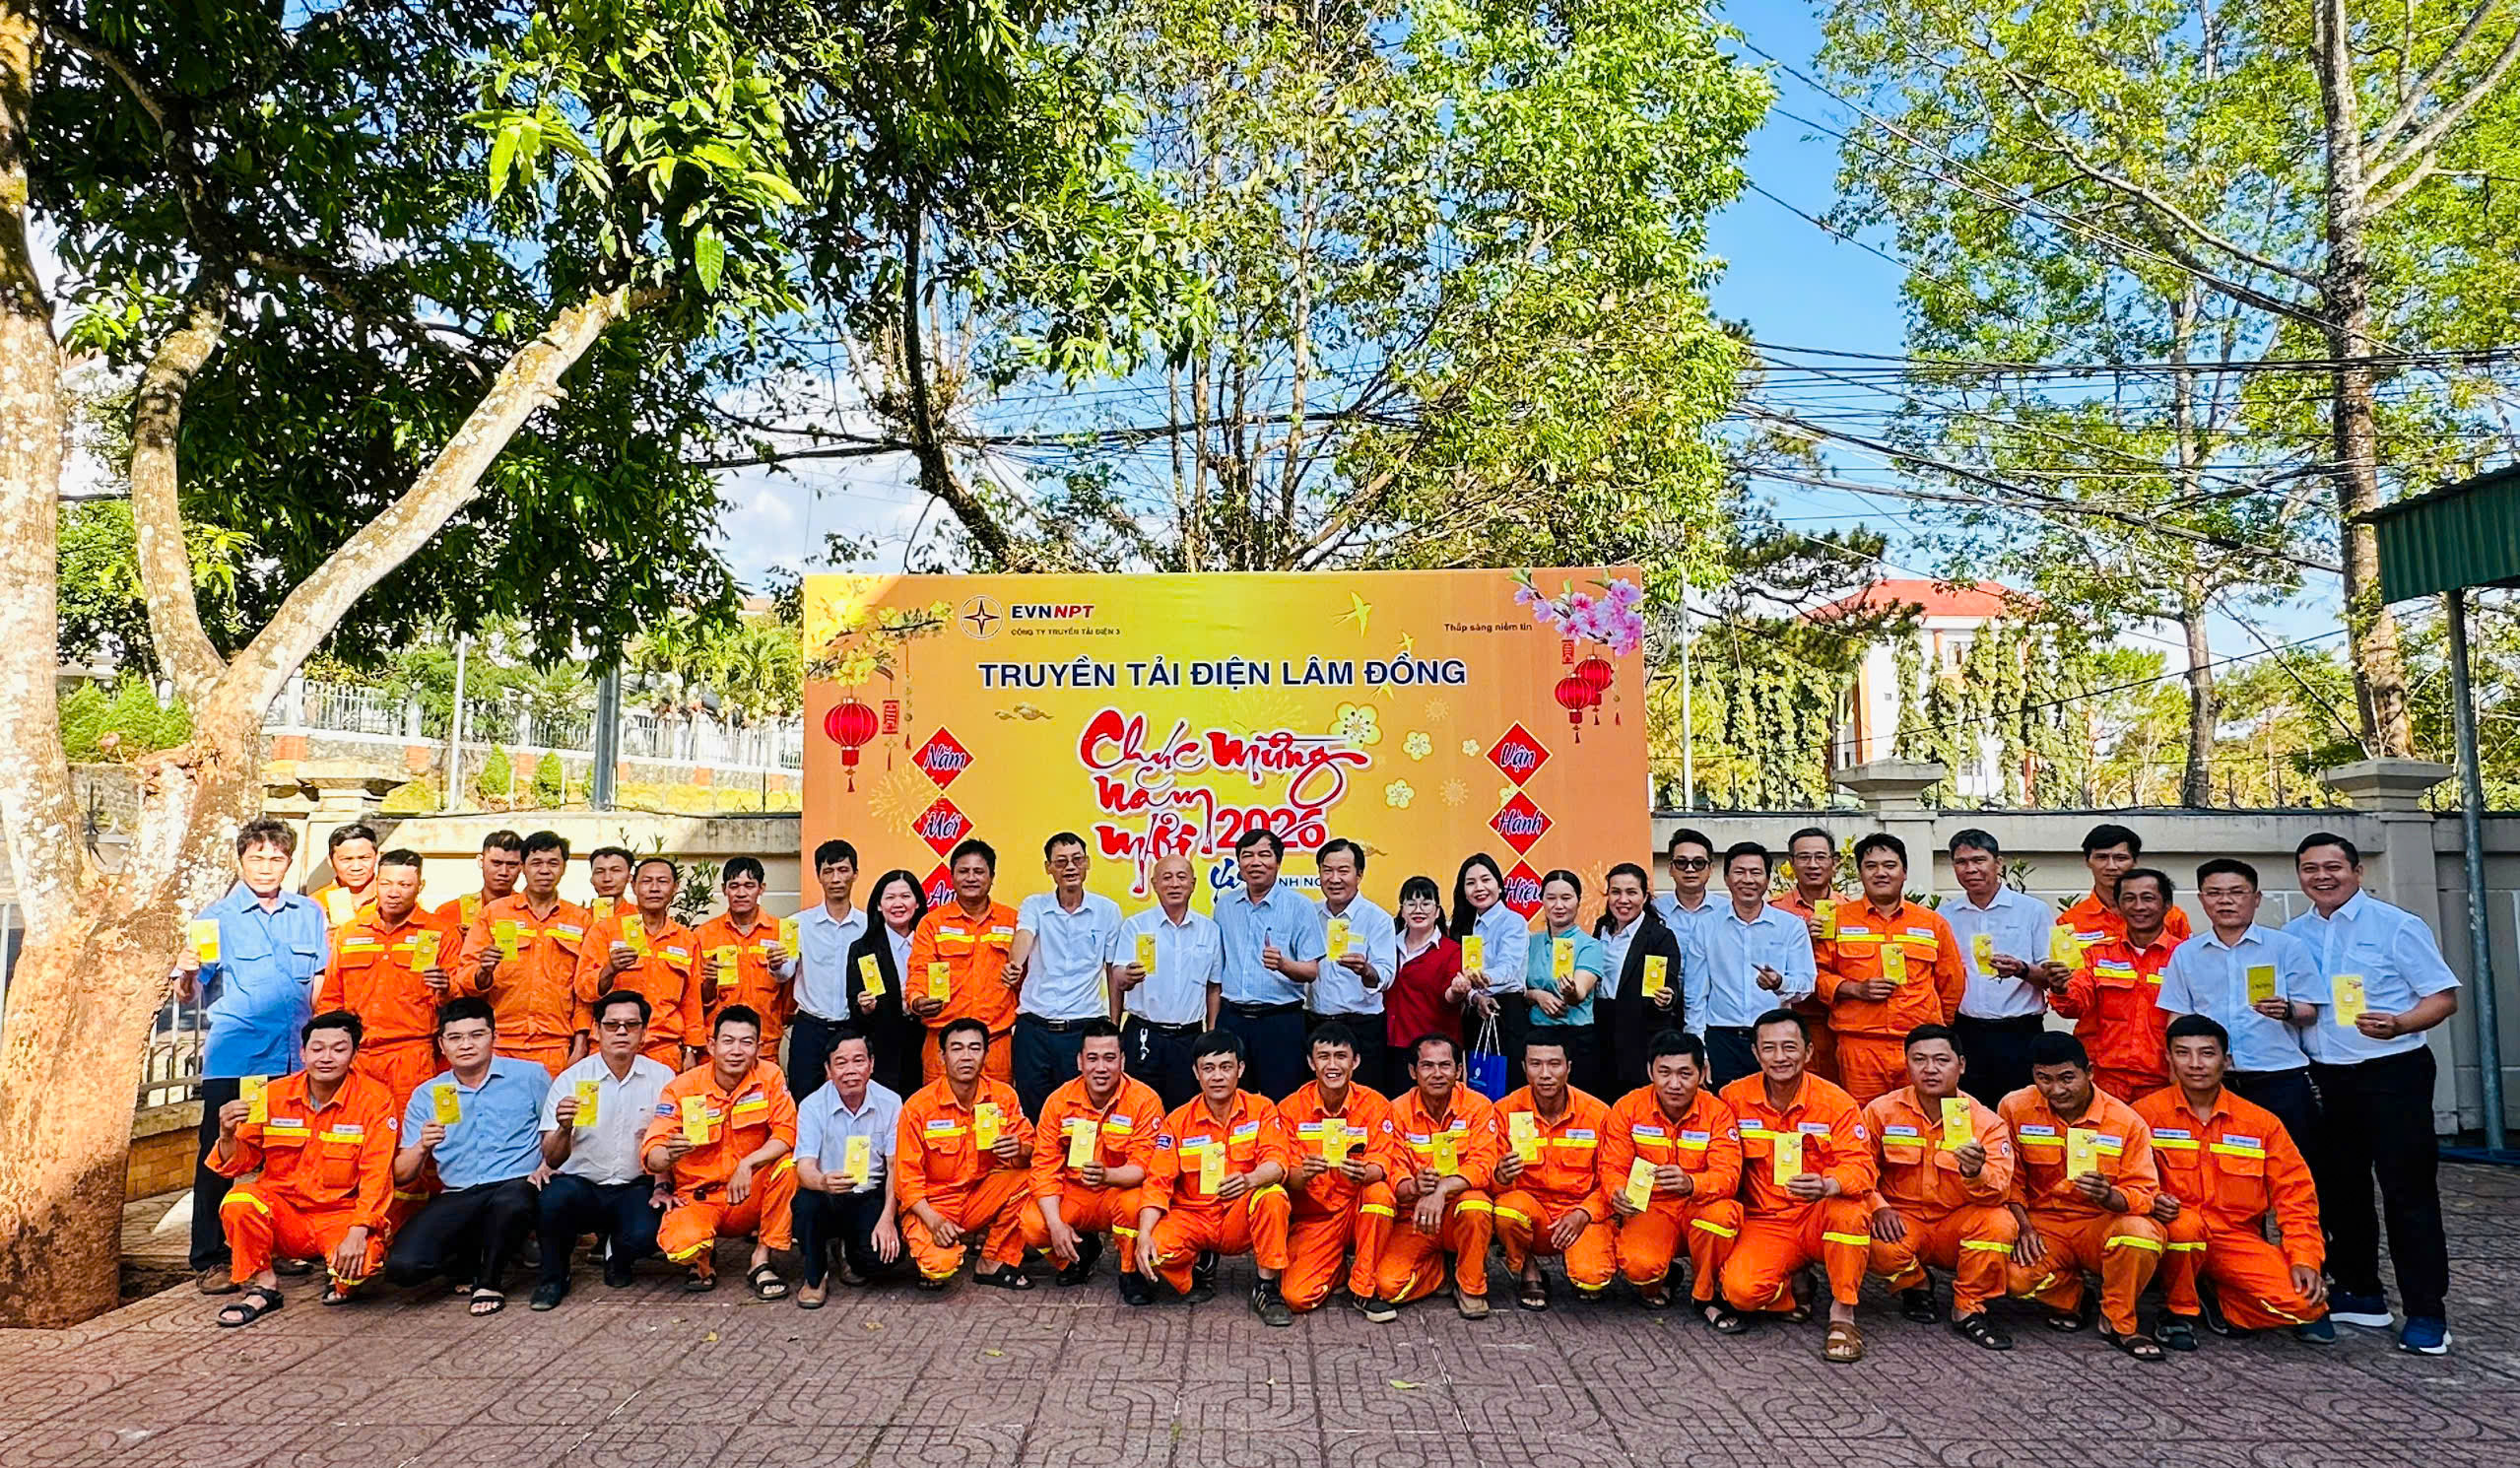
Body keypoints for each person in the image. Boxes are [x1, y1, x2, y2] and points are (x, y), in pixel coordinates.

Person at [2286, 831, 2461, 1355]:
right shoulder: (2294, 935)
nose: (2322, 877)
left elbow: (2443, 998)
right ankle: (2361, 1292)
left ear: (2357, 872)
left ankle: (2426, 1311)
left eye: (2333, 867)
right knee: (2341, 1191)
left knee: (2408, 1193)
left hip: (2393, 1073)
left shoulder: (2397, 926)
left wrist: (2401, 1023)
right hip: (2326, 1077)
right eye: (2311, 868)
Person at [177, 818, 330, 1292]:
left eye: (276, 858)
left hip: (294, 1061)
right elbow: (188, 993)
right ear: (240, 860)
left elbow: (320, 984)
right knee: (222, 1154)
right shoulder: (215, 918)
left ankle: (280, 1243)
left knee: (286, 1155)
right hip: (240, 1059)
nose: (266, 867)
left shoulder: (309, 914)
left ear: (289, 862)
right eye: (256, 858)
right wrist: (185, 973)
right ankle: (211, 1258)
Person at [2137, 1016, 2332, 1349]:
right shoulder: (2144, 1116)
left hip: (2233, 1240)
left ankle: (2219, 1298)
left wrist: (2304, 1258)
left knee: (2305, 1305)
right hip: (2171, 1236)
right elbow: (2126, 1181)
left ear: (2226, 1061)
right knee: (2185, 1227)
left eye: (2207, 1053)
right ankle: (2178, 1309)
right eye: (2183, 1053)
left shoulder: (2260, 1123)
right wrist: (2151, 1203)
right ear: (2168, 1058)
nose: (2195, 1064)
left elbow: (2296, 1196)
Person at [208, 1011, 397, 1326]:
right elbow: (239, 1163)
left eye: (339, 1049)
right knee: (239, 1201)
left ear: (354, 1054)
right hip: (285, 1214)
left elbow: (377, 1174)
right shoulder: (272, 1095)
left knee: (362, 1263)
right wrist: (227, 1135)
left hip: (340, 1215)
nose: (326, 1057)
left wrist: (358, 1231)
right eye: (317, 1048)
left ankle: (340, 1278)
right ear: (303, 1053)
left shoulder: (375, 1100)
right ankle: (264, 1285)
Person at [1718, 1009, 1877, 1364]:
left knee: (1850, 1212)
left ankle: (1843, 1313)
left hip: (1819, 1214)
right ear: (1756, 1053)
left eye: (1789, 1047)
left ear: (1808, 1051)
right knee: (1740, 1293)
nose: (1780, 1057)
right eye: (1769, 1048)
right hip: (1768, 1221)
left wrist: (1828, 1185)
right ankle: (1794, 1285)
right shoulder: (1733, 1097)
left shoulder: (1836, 1102)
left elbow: (1862, 1167)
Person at [1999, 1033, 2168, 1361]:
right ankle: (2073, 1297)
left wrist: (2109, 1196)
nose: (2056, 1089)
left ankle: (2119, 1321)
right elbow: (2011, 1179)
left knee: (2140, 1234)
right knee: (2005, 1274)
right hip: (2044, 1226)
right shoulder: (2014, 1107)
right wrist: (2024, 1228)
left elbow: (2145, 1193)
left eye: (2067, 1078)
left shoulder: (2126, 1121)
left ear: (2089, 1072)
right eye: (2044, 1079)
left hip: (2101, 1223)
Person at [384, 997, 549, 1315]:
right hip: (459, 1193)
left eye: (476, 1035)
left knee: (512, 1201)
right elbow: (402, 1174)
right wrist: (421, 1146)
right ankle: (468, 1255)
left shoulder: (530, 1076)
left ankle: (488, 1282)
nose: (466, 1045)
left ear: (494, 1037)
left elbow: (553, 1130)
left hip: (515, 1184)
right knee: (404, 1268)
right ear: (442, 1045)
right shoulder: (427, 1094)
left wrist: (547, 1165)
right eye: (455, 1037)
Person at [1861, 1025, 2019, 1352]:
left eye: (1941, 1060)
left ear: (1961, 1065)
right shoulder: (1880, 1111)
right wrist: (1879, 1207)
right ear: (1906, 1064)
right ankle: (1916, 1284)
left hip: (1956, 1223)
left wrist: (1975, 1172)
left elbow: (2000, 1190)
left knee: (2000, 1223)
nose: (1930, 1069)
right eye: (1919, 1059)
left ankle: (1969, 1307)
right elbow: (1859, 1167)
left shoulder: (1985, 1122)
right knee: (1861, 1232)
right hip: (1902, 1220)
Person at [2155, 858, 2324, 1150]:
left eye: (2236, 892)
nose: (2225, 901)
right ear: (2202, 900)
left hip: (2278, 1078)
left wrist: (2287, 1011)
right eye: (2214, 893)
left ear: (2256, 899)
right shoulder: (2186, 953)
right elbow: (2178, 1017)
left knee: (2289, 1164)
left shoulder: (2286, 947)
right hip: (2213, 1083)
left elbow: (2311, 1012)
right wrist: (2176, 1074)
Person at [1137, 1029, 1298, 1323]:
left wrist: (1249, 1180)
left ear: (1241, 1069)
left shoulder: (1262, 1109)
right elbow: (1157, 1182)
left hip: (1239, 1216)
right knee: (1154, 1251)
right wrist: (1144, 1234)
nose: (1217, 1077)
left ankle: (1266, 1287)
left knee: (1273, 1195)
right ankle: (1199, 1265)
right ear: (1196, 1073)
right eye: (1208, 1068)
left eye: (1226, 1067)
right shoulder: (1177, 1121)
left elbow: (1278, 1162)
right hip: (1194, 1217)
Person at [641, 1006, 799, 1299]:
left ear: (758, 1048)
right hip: (700, 1196)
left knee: (790, 1167)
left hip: (751, 1193)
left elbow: (786, 1134)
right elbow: (653, 1150)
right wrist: (668, 1155)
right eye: (728, 1041)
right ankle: (701, 1260)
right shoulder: (682, 1087)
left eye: (746, 1042)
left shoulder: (770, 1076)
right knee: (681, 1246)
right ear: (712, 1046)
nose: (736, 1051)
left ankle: (761, 1259)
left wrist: (748, 1164)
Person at [532, 990, 674, 1309]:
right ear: (596, 1030)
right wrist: (564, 1127)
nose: (621, 1032)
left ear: (644, 1032)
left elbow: (667, 1139)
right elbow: (552, 1157)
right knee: (552, 1201)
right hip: (583, 1184)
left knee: (645, 1233)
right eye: (612, 1025)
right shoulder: (571, 1079)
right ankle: (553, 1278)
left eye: (631, 1025)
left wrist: (662, 1185)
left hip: (635, 1184)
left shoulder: (663, 1078)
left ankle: (617, 1254)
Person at [1600, 1030, 1744, 1321]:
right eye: (1664, 1073)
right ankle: (1664, 1276)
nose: (1674, 1084)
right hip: (1651, 1207)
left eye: (1685, 1074)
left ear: (1701, 1073)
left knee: (1722, 1216)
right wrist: (1616, 1192)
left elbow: (1728, 1174)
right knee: (1640, 1267)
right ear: (1649, 1071)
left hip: (1700, 1205)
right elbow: (1612, 1165)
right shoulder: (1628, 1108)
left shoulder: (1718, 1113)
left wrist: (1692, 1183)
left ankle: (1704, 1294)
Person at [1815, 834, 1965, 1104]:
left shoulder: (1932, 923)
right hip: (1860, 1045)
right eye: (1871, 866)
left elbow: (1951, 982)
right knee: (1864, 1119)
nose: (1880, 873)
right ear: (1860, 873)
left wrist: (1934, 1030)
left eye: (1890, 865)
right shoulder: (1836, 920)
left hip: (1920, 1046)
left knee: (1922, 1115)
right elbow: (1817, 975)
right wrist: (1855, 990)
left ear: (1904, 872)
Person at [1025, 1019, 1163, 1300]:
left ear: (1122, 1061)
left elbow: (1143, 1167)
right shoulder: (1058, 1101)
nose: (1101, 1068)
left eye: (1109, 1058)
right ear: (1079, 1061)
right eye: (1092, 1058)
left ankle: (1131, 1270)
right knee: (1033, 1224)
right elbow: (1044, 1168)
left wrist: (1108, 1176)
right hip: (1075, 1193)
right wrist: (1055, 1224)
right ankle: (1079, 1254)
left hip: (1119, 1190)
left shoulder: (1145, 1101)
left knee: (1136, 1204)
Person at [895, 1018, 1035, 1289]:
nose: (966, 1056)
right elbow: (906, 1181)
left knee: (1034, 1178)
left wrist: (1020, 1149)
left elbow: (1030, 1148)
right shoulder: (918, 1107)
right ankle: (929, 1246)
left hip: (978, 1196)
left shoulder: (1003, 1096)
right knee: (938, 1268)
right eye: (957, 1048)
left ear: (986, 1054)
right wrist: (933, 1222)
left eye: (975, 1048)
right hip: (933, 1205)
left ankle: (992, 1260)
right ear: (942, 1056)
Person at [316, 847, 459, 1111]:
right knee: (356, 1130)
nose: (394, 892)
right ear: (376, 883)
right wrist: (332, 1049)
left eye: (404, 885)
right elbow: (331, 998)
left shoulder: (440, 932)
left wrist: (446, 989)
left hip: (412, 1056)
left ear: (420, 886)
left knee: (413, 1129)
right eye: (386, 883)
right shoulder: (350, 932)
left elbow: (458, 1000)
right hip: (357, 1055)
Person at [1373, 1033, 1502, 1318]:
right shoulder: (1395, 1110)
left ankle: (1471, 1286)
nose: (1437, 1074)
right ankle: (1440, 1272)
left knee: (1476, 1204)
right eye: (1427, 1066)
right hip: (1416, 1215)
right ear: (1412, 1071)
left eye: (1445, 1065)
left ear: (1459, 1070)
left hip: (1458, 1210)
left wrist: (1442, 1190)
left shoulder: (1479, 1106)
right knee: (1387, 1287)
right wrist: (1415, 1187)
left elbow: (1484, 1164)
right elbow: (1394, 1172)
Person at [1276, 1021, 1398, 1318]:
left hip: (1358, 1210)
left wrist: (1365, 1173)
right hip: (1316, 1217)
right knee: (1296, 1298)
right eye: (1324, 1057)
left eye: (1341, 1056)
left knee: (1380, 1194)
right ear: (1311, 1063)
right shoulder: (1290, 1109)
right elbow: (1286, 1176)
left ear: (1355, 1062)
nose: (1332, 1065)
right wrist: (1304, 1173)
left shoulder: (1376, 1104)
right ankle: (1337, 1269)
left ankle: (1364, 1289)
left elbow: (1382, 1163)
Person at [1937, 830, 2063, 1105]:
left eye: (1979, 860)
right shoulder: (1944, 917)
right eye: (1961, 862)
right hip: (1966, 1032)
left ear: (1998, 863)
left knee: (2023, 1110)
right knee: (1969, 1111)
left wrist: (2021, 969)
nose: (1971, 869)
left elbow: (2052, 978)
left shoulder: (2032, 910)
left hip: (2020, 1033)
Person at [1491, 1034, 1615, 1310]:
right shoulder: (1504, 1110)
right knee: (1507, 1210)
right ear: (1524, 1068)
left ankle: (1578, 1264)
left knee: (1592, 1279)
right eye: (1536, 1064)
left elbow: (1611, 1179)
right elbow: (1490, 1180)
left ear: (1568, 1067)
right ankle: (1528, 1268)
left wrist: (1584, 1213)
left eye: (1554, 1064)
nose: (1545, 1074)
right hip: (1532, 1214)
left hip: (1580, 1213)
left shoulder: (1597, 1113)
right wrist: (1500, 1176)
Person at [453, 829, 591, 1077]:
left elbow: (584, 990)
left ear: (564, 868)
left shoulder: (580, 920)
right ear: (523, 868)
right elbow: (465, 977)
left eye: (553, 863)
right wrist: (484, 970)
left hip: (556, 1044)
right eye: (536, 863)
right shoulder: (493, 914)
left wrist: (581, 1042)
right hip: (500, 1042)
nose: (544, 870)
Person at [1006, 832, 1125, 1117]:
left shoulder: (1107, 911)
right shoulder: (1034, 905)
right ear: (1048, 868)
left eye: (1076, 860)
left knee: (1080, 1112)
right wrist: (1014, 964)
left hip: (1083, 1028)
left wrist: (1113, 1023)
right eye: (1061, 862)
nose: (1070, 867)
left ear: (1088, 863)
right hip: (1034, 1028)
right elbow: (1024, 935)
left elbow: (1112, 970)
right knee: (1032, 1111)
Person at [1682, 842, 1817, 1090]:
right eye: (1739, 872)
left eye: (1755, 872)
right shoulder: (1706, 926)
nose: (1747, 879)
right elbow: (1695, 993)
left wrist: (1780, 983)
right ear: (1726, 878)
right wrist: (1699, 1047)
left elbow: (1806, 983)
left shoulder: (1790, 926)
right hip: (1721, 1038)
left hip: (1773, 1039)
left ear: (1767, 879)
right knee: (1724, 1106)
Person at [791, 1023, 907, 1305]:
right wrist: (822, 1182)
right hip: (828, 1194)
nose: (851, 1070)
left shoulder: (891, 1102)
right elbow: (804, 1166)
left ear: (871, 1064)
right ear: (828, 1070)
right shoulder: (812, 1106)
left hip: (869, 1194)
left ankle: (848, 1251)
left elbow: (895, 1167)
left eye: (858, 1060)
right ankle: (815, 1277)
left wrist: (887, 1220)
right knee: (805, 1205)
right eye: (841, 1063)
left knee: (883, 1257)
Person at [2048, 867, 2181, 1101]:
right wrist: (2061, 989)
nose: (2138, 906)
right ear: (2118, 908)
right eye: (2129, 899)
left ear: (2167, 905)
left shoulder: (2184, 956)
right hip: (2102, 1081)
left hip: (2162, 1081)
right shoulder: (2098, 954)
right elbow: (2074, 1005)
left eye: (2148, 898)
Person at [1213, 829, 1324, 1101]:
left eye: (1264, 855)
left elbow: (1311, 971)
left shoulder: (1300, 906)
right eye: (1247, 855)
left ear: (1278, 861)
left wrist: (1284, 964)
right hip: (1233, 1019)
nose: (1255, 862)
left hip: (1280, 1020)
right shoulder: (1225, 906)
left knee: (1284, 1100)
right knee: (1232, 1100)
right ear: (1239, 863)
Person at [1109, 853, 1224, 1110]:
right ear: (1154, 883)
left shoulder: (1210, 930)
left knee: (1185, 1111)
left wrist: (1211, 1033)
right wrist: (1126, 976)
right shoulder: (1135, 926)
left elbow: (1213, 987)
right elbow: (1118, 975)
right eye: (1167, 877)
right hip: (1144, 1035)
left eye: (1181, 877)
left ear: (1193, 884)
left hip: (1189, 1038)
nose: (1174, 884)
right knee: (1137, 1109)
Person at [907, 839, 1021, 1086]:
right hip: (943, 1042)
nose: (971, 878)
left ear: (992, 877)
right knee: (940, 1107)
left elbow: (1028, 977)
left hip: (995, 1042)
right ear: (952, 877)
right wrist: (917, 1000)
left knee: (995, 1107)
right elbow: (919, 970)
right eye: (963, 871)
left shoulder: (1012, 921)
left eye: (978, 871)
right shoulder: (932, 923)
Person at [578, 856, 703, 1069]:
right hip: (611, 1046)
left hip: (664, 1049)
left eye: (662, 881)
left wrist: (692, 1050)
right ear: (634, 885)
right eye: (646, 881)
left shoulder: (686, 939)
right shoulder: (605, 931)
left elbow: (692, 1002)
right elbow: (583, 989)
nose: (654, 888)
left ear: (675, 887)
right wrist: (609, 970)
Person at [1592, 862, 1687, 1094]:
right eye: (1616, 892)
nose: (1623, 900)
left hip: (1638, 1037)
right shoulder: (1601, 928)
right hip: (1600, 1032)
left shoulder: (1658, 936)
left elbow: (1668, 984)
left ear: (1644, 897)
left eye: (1631, 892)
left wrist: (1667, 997)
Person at [1309, 838, 1395, 1090]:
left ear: (1359, 875)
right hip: (1315, 1024)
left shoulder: (1377, 919)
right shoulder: (1309, 915)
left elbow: (1386, 975)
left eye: (1343, 871)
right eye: (1327, 870)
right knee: (1317, 1098)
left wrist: (1366, 970)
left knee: (1365, 1099)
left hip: (1362, 1027)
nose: (1334, 879)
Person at [695, 855, 798, 1056]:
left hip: (765, 1043)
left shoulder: (782, 932)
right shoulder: (703, 934)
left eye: (749, 886)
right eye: (734, 886)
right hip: (718, 1045)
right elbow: (695, 999)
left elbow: (790, 989)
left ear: (761, 888)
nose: (741, 893)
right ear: (724, 889)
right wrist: (709, 982)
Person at [794, 838, 872, 1098]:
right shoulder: (797, 924)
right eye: (828, 871)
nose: (836, 878)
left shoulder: (870, 927)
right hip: (810, 1028)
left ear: (855, 874)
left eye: (843, 870)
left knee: (854, 1099)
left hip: (854, 1027)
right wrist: (776, 964)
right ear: (818, 876)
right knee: (803, 1099)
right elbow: (783, 974)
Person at [842, 867, 927, 1101]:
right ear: (879, 905)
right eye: (890, 897)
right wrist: (865, 1007)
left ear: (917, 903)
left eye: (905, 896)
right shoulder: (863, 949)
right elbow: (854, 1006)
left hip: (926, 1043)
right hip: (884, 1049)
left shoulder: (932, 942)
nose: (898, 904)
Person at [1521, 871, 1607, 1094]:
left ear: (1578, 901)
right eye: (1551, 898)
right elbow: (1518, 988)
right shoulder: (1530, 942)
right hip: (1537, 1037)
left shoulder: (1590, 945)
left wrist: (1570, 991)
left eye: (1566, 898)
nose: (1558, 905)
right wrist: (1536, 995)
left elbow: (1579, 992)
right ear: (1542, 900)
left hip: (1576, 1037)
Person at [1382, 877, 1468, 1098]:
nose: (1418, 910)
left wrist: (1457, 990)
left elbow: (1450, 996)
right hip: (1392, 1047)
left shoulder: (1452, 951)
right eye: (1411, 903)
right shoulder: (1386, 946)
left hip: (1435, 1053)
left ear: (1437, 911)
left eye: (1426, 903)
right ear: (1402, 911)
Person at [1450, 851, 1528, 1088]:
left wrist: (1482, 979)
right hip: (1475, 1011)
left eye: (1486, 880)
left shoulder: (1513, 921)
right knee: (1478, 1084)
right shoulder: (1463, 925)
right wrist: (1474, 996)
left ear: (1499, 886)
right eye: (1471, 883)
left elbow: (1509, 967)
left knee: (1507, 1085)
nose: (1479, 888)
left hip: (1506, 1011)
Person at [1771, 827, 1844, 1081]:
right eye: (1804, 857)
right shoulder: (1775, 911)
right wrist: (1800, 938)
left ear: (1834, 862)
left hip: (1841, 1016)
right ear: (1791, 863)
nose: (1812, 865)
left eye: (1820, 857)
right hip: (1793, 1017)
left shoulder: (1851, 909)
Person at [2059, 822, 2192, 951]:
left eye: (2121, 858)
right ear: (2087, 861)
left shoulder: (2172, 916)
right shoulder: (2069, 922)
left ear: (2134, 861)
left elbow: (2189, 961)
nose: (2111, 866)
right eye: (2102, 857)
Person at [435, 830, 523, 932]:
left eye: (512, 865)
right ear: (481, 861)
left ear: (522, 866)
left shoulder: (532, 913)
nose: (503, 872)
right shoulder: (449, 912)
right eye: (496, 863)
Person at [307, 822, 381, 930]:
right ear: (330, 861)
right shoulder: (315, 904)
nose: (356, 867)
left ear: (377, 857)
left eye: (364, 858)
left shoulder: (398, 896)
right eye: (346, 859)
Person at [1652, 828, 1718, 929]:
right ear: (1670, 868)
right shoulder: (1654, 910)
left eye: (1698, 863)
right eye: (1681, 862)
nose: (1690, 869)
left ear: (1711, 869)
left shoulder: (1728, 910)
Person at [585, 844, 635, 923]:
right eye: (599, 871)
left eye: (615, 870)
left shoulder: (639, 916)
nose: (607, 878)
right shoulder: (580, 917)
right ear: (592, 879)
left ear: (629, 877)